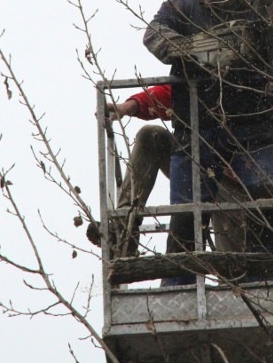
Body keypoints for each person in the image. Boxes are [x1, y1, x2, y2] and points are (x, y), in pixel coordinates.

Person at [143, 0, 273, 287]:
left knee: (264, 199)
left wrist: (252, 48)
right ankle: (179, 289)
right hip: (198, 129)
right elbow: (154, 33)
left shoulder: (259, 8)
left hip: (253, 126)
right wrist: (192, 49)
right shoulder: (184, 7)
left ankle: (265, 282)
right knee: (186, 213)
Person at [89, 85, 248, 256]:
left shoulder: (250, 82)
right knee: (151, 136)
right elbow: (171, 93)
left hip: (235, 182)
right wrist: (128, 107)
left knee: (231, 260)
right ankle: (123, 230)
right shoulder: (204, 75)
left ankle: (228, 275)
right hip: (195, 166)